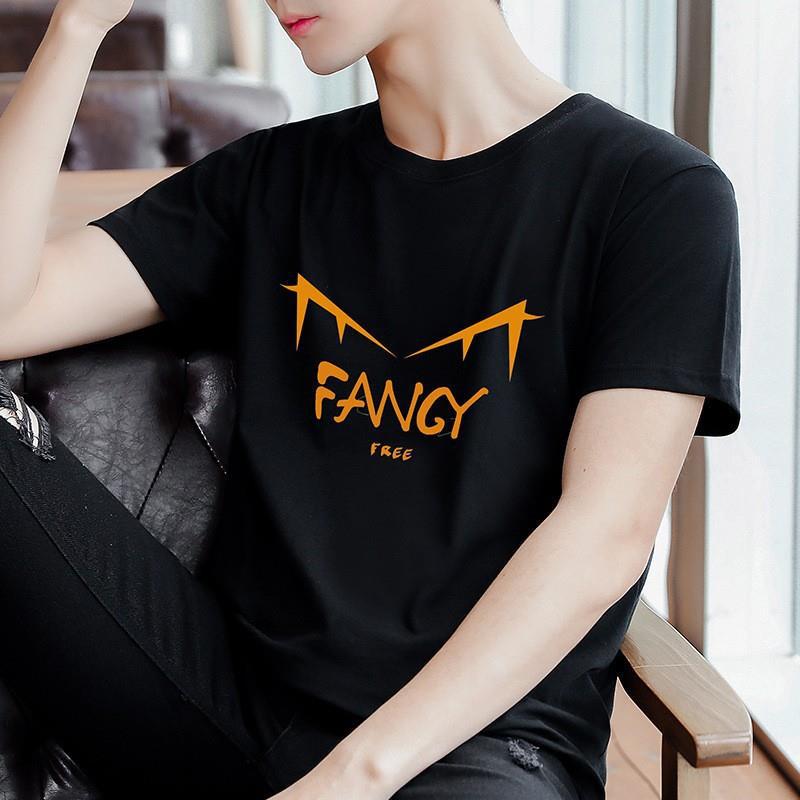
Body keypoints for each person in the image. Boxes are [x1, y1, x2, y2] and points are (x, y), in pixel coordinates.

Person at [0, 0, 741, 798]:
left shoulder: (654, 194)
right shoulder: (269, 179)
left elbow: (607, 530)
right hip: (231, 707)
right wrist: (77, 29)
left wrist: (354, 776)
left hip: (471, 747)